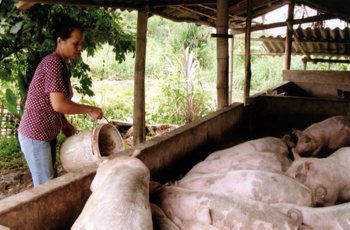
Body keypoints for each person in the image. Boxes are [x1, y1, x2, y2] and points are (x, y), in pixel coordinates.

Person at [18, 14, 103, 187]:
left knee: (49, 181)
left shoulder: (62, 64)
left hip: (46, 133)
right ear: (60, 41)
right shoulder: (53, 63)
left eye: (81, 43)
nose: (79, 48)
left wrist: (63, 123)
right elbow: (59, 104)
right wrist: (90, 109)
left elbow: (54, 103)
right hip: (35, 134)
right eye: (75, 43)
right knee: (45, 187)